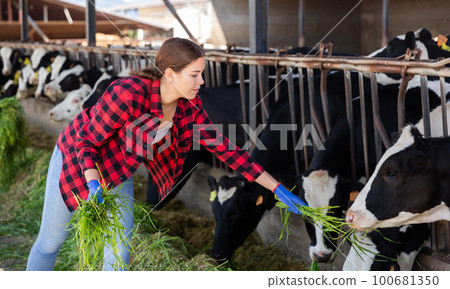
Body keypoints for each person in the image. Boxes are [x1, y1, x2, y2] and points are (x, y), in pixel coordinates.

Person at [26, 37, 306, 271]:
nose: (202, 81)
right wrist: (92, 182)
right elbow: (86, 141)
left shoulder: (189, 110)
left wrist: (277, 187)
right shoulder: (129, 93)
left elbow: (229, 152)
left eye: (202, 73)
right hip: (77, 160)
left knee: (119, 253)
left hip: (118, 169)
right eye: (195, 75)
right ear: (170, 74)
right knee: (51, 241)